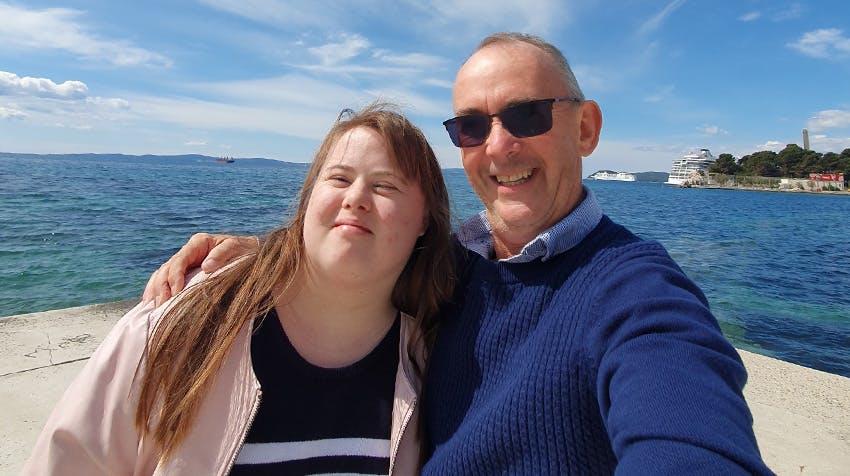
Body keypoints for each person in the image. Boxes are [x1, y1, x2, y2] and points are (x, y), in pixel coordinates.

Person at [142, 33, 773, 474]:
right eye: (471, 126)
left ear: (585, 129)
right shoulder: (453, 263)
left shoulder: (636, 292)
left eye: (525, 115)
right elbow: (370, 250)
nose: (497, 148)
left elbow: (690, 432)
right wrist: (276, 253)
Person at [23, 103, 455, 475]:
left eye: (385, 186)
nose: (355, 198)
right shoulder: (180, 327)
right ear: (306, 203)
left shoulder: (432, 362)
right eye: (339, 179)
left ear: (424, 223)